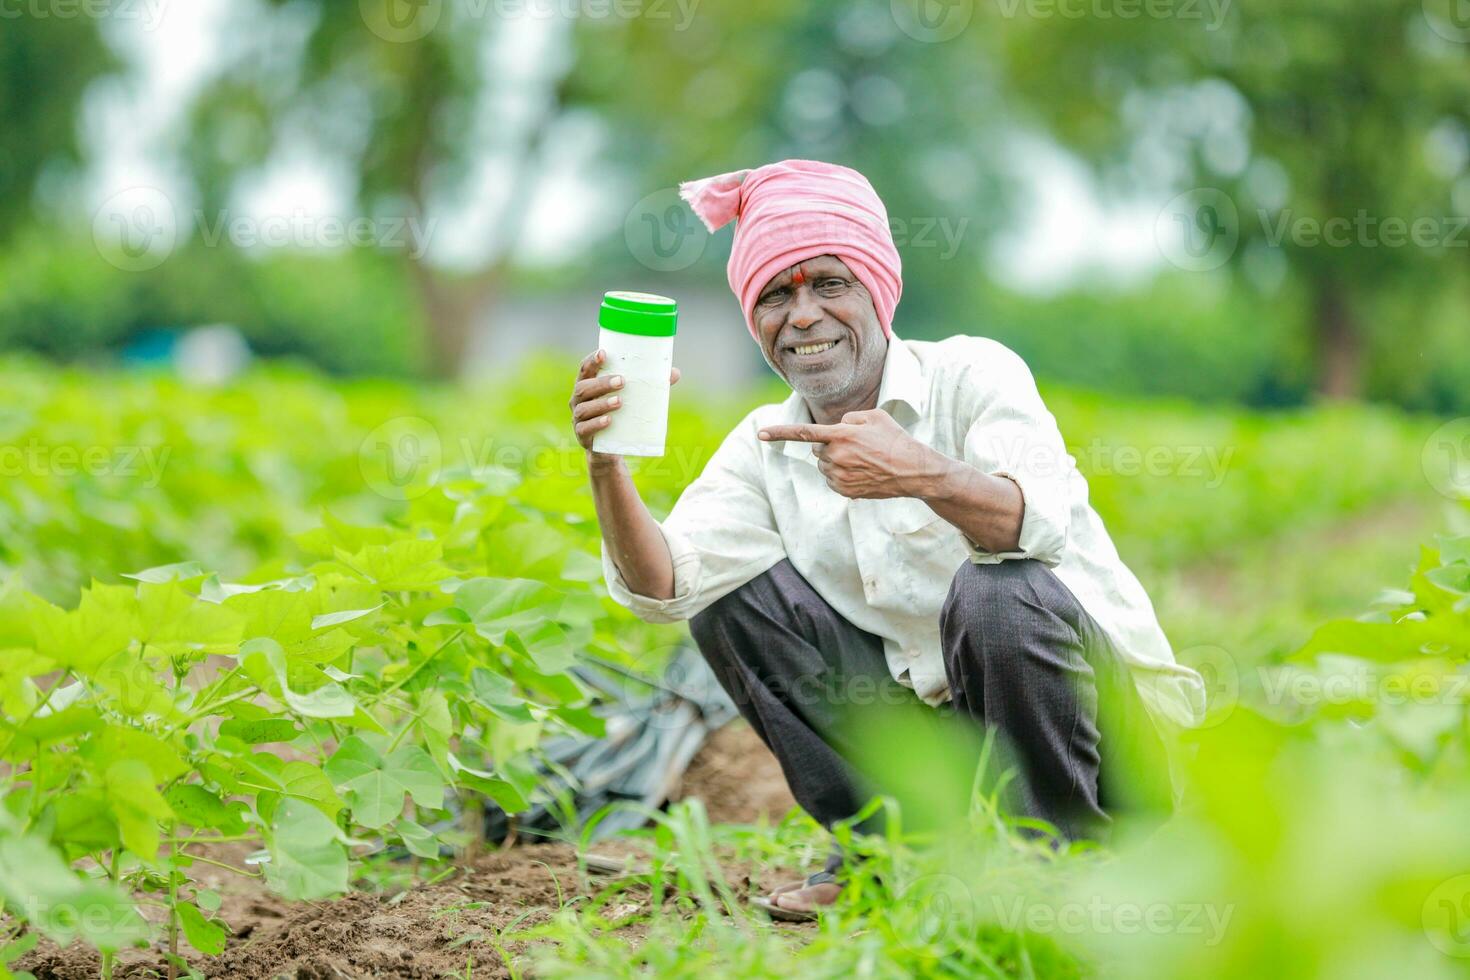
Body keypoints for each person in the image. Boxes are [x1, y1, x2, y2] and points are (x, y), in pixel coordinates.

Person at [569, 160, 1204, 918]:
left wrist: (919, 473)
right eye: (776, 294)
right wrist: (608, 465)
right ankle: (886, 854)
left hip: (1105, 748)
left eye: (829, 283)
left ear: (878, 290)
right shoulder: (767, 443)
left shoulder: (974, 376)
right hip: (956, 747)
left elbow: (1032, 524)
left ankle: (1074, 863)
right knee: (725, 598)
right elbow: (663, 588)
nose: (802, 315)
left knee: (997, 589)